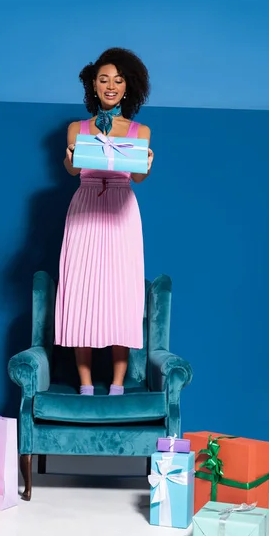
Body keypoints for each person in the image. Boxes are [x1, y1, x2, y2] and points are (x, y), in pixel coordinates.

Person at [54, 47, 153, 395]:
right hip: (85, 207)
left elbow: (138, 178)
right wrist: (69, 158)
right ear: (92, 86)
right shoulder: (76, 129)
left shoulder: (140, 132)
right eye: (103, 79)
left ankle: (117, 385)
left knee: (121, 292)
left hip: (122, 209)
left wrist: (147, 165)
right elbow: (73, 169)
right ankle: (84, 385)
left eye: (118, 80)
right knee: (81, 288)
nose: (110, 86)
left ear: (129, 87)